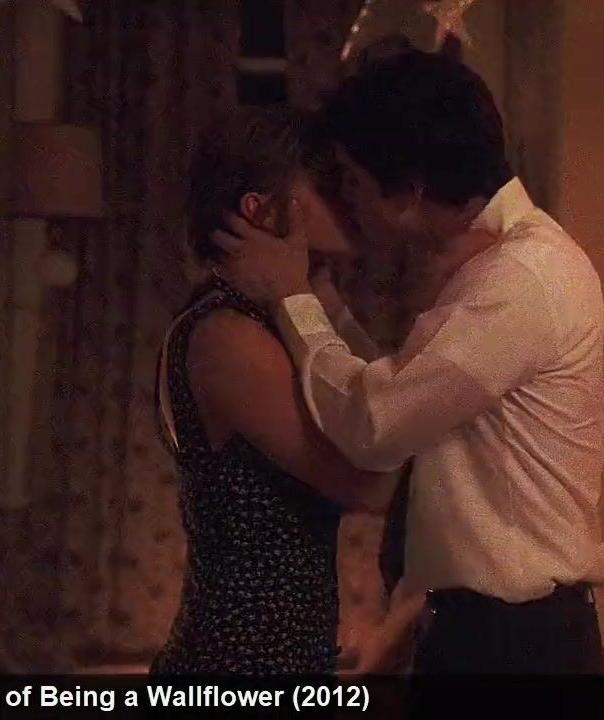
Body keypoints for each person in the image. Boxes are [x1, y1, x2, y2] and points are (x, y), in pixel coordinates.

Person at [212, 51, 604, 674]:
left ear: (411, 191)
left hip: (515, 649)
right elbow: (407, 390)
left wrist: (293, 298)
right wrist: (320, 303)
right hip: (487, 634)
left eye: (352, 180)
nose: (345, 200)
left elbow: (376, 425)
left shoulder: (520, 278)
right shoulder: (504, 265)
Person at [151, 106, 394, 675]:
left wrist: (320, 302)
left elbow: (383, 412)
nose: (348, 200)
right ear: (258, 210)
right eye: (324, 184)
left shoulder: (261, 321)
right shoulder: (228, 334)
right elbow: (370, 483)